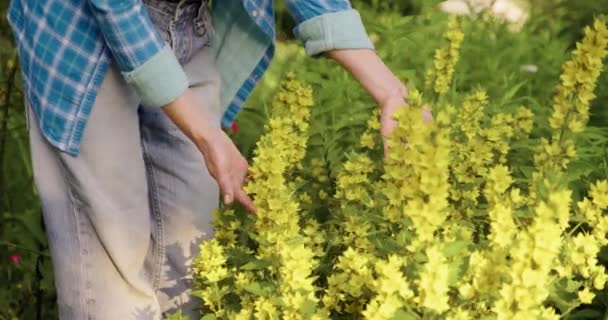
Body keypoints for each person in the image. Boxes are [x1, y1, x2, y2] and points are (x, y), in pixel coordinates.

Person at [8, 0, 411, 318]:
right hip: (80, 34)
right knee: (114, 276)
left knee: (190, 260)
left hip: (184, 21)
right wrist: (207, 135)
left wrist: (391, 93)